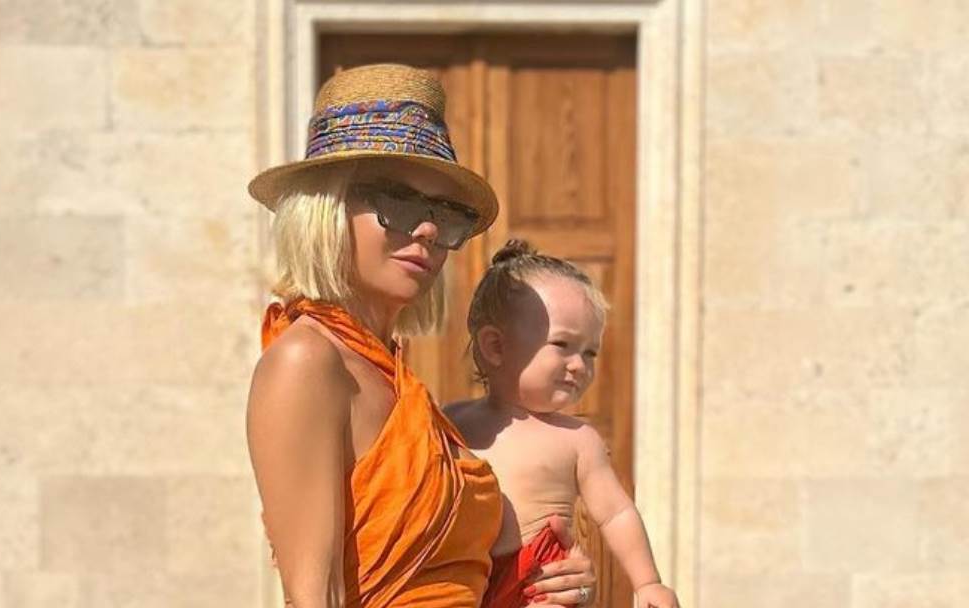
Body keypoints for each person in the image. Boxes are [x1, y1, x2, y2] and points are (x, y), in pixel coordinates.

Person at [245, 64, 595, 608]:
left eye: (445, 214)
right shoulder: (308, 360)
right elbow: (316, 595)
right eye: (399, 204)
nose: (428, 229)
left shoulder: (395, 378)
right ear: (327, 208)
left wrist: (542, 581)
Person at [445, 240, 681, 608]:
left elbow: (616, 512)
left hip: (540, 578)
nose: (579, 365)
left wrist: (648, 582)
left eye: (590, 352)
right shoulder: (451, 421)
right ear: (495, 347)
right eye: (562, 344)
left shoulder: (578, 439)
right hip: (462, 576)